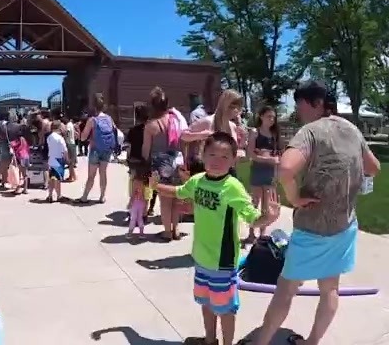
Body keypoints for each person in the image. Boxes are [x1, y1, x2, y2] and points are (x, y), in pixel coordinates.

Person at [253, 81, 381, 345]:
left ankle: (260, 342)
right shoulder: (352, 129)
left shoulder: (310, 131)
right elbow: (374, 167)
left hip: (312, 226)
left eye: (300, 104)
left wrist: (295, 198)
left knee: (287, 289)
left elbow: (286, 169)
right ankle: (311, 342)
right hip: (344, 224)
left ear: (317, 103)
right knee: (330, 289)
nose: (298, 112)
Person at [152, 132, 281, 345]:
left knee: (225, 309)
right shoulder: (198, 181)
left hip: (222, 262)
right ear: (203, 155)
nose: (217, 161)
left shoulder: (232, 187)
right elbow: (178, 191)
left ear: (233, 160)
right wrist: (156, 186)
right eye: (212, 155)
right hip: (201, 257)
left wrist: (268, 217)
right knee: (206, 302)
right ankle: (210, 340)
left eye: (224, 157)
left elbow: (251, 218)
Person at [141, 87, 192, 241]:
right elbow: (184, 142)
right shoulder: (176, 120)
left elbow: (146, 149)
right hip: (177, 160)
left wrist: (145, 165)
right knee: (176, 196)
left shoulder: (151, 125)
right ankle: (176, 229)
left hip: (160, 164)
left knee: (164, 199)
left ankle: (167, 232)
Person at [184, 89, 244, 177]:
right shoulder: (208, 121)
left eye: (238, 107)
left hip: (226, 171)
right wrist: (200, 135)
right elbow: (184, 136)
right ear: (224, 105)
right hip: (206, 171)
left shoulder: (233, 126)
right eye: (232, 107)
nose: (236, 111)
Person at [244, 106, 280, 243]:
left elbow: (277, 156)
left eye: (273, 117)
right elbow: (250, 154)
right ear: (261, 116)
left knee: (267, 205)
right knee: (254, 203)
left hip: (270, 172)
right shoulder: (255, 132)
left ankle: (262, 234)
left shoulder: (274, 134)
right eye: (268, 116)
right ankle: (251, 232)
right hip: (258, 170)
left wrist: (276, 169)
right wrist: (268, 159)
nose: (271, 120)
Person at [76, 93, 118, 204]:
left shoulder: (92, 120)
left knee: (91, 176)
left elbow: (83, 138)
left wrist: (80, 134)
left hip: (95, 150)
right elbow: (115, 131)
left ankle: (84, 197)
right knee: (103, 173)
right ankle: (102, 196)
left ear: (94, 107)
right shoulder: (109, 119)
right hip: (107, 149)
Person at [127, 164, 151, 240]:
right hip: (142, 202)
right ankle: (141, 233)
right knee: (140, 218)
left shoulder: (136, 181)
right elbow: (145, 195)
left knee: (133, 218)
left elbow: (134, 194)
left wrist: (130, 203)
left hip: (135, 202)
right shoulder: (145, 182)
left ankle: (130, 233)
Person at [46, 120, 68, 203]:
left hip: (51, 159)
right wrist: (67, 159)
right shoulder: (60, 138)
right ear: (59, 127)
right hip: (58, 159)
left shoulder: (49, 137)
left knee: (51, 178)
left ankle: (50, 195)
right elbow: (65, 150)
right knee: (57, 179)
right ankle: (59, 195)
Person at [10, 124, 31, 194]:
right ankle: (25, 189)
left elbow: (14, 145)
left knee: (19, 173)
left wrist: (11, 144)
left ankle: (18, 188)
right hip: (26, 157)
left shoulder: (19, 140)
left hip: (20, 157)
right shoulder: (25, 140)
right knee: (25, 174)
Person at [64, 116, 78, 182]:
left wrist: (64, 138)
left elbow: (68, 132)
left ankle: (71, 177)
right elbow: (76, 134)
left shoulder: (68, 125)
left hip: (69, 143)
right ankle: (73, 176)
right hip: (72, 143)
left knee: (70, 162)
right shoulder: (71, 124)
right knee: (71, 161)